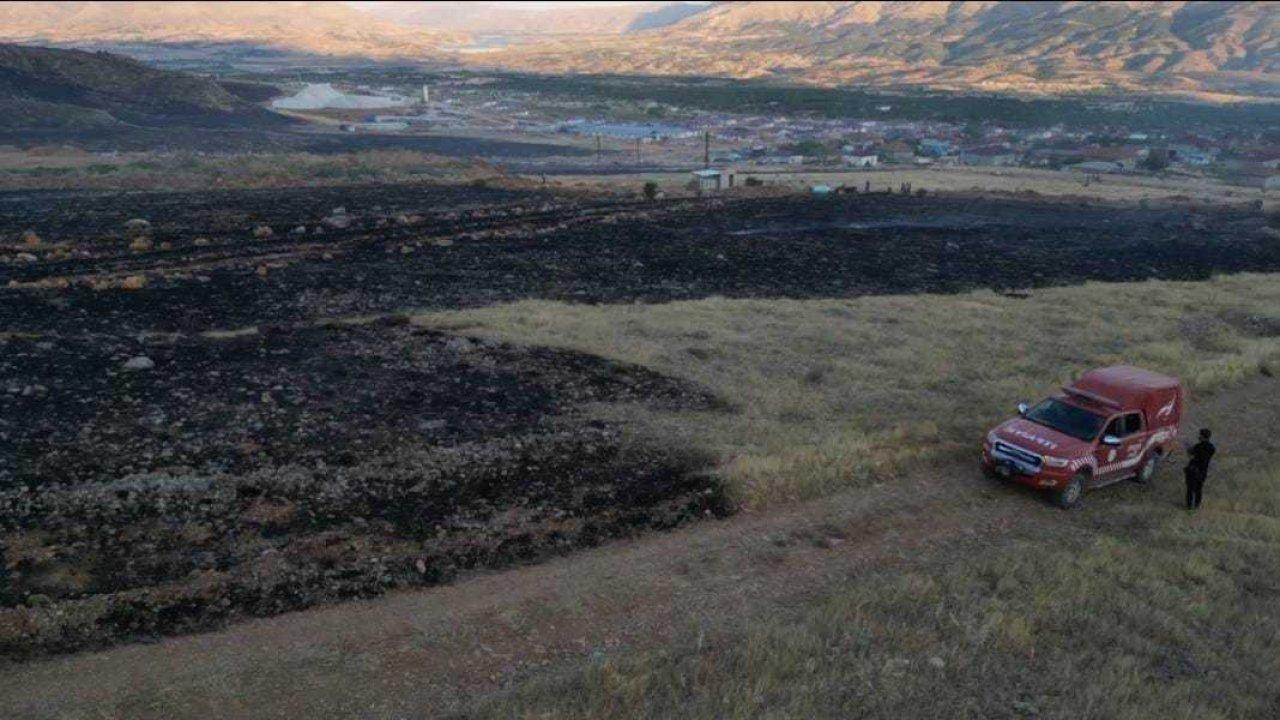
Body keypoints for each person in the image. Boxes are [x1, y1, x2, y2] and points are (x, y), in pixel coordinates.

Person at [1184, 428, 1216, 510]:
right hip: (1203, 471)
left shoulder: (1198, 446)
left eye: (1200, 435)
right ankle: (1196, 504)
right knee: (1199, 488)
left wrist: (1188, 449)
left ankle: (1189, 505)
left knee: (1190, 489)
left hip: (1194, 470)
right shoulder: (1212, 448)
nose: (1199, 437)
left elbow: (1191, 453)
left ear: (1202, 436)